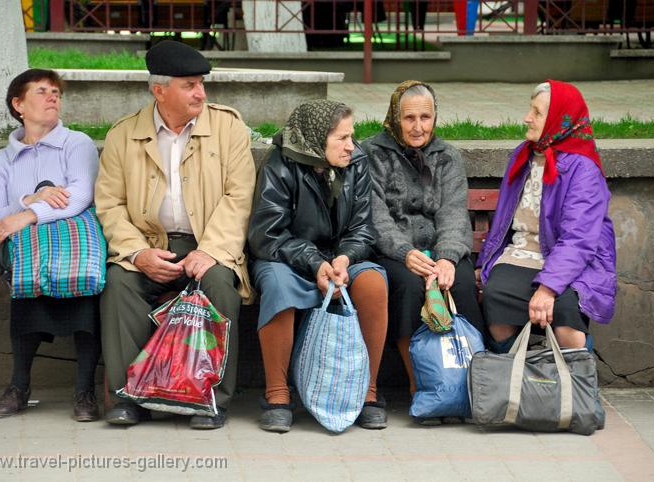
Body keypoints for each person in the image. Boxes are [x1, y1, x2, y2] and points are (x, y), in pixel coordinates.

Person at [95, 40, 255, 429]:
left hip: (209, 243)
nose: (200, 92)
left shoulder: (228, 127)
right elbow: (110, 204)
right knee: (119, 286)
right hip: (150, 244)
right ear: (159, 90)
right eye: (189, 85)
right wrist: (136, 253)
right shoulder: (123, 135)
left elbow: (239, 196)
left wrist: (212, 251)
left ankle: (210, 399)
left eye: (201, 83)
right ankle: (127, 398)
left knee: (219, 286)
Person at [248, 100, 389, 433]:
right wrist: (314, 262)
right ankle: (277, 394)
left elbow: (363, 229)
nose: (351, 146)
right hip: (288, 257)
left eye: (351, 136)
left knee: (373, 284)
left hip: (341, 259)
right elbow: (267, 235)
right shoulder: (280, 165)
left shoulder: (357, 163)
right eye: (342, 138)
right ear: (316, 138)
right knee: (279, 288)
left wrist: (344, 259)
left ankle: (367, 393)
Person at [0, 69, 101, 421]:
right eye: (42, 91)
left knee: (85, 305)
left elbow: (79, 196)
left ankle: (85, 391)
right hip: (29, 259)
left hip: (76, 252)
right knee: (26, 303)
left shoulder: (76, 144)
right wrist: (28, 200)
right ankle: (19, 385)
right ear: (18, 104)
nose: (53, 98)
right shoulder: (1, 161)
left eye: (56, 93)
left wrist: (26, 216)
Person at [362, 81, 484, 418]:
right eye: (409, 118)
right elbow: (376, 217)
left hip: (439, 250)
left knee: (457, 282)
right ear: (394, 117)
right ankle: (422, 385)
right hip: (395, 252)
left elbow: (453, 213)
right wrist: (403, 252)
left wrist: (446, 256)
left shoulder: (447, 157)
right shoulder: (372, 153)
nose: (418, 127)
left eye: (425, 117)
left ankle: (466, 383)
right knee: (408, 284)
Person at [477, 80, 616, 352]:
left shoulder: (583, 169)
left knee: (566, 316)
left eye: (537, 113)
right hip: (522, 254)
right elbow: (504, 219)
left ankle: (576, 385)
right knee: (494, 297)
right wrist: (485, 261)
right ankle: (515, 378)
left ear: (558, 120)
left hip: (573, 263)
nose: (527, 118)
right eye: (531, 110)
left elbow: (578, 240)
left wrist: (548, 288)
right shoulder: (524, 155)